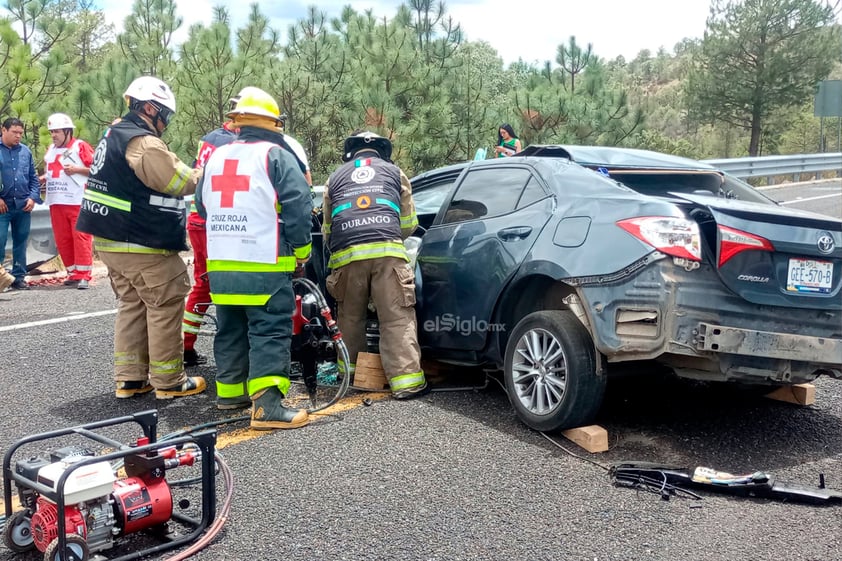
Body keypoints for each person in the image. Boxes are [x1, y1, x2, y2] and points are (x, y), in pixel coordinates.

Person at [76, 76, 207, 400]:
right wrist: (204, 173)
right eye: (165, 114)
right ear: (150, 108)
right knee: (164, 304)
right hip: (140, 240)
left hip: (110, 240)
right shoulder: (144, 142)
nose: (166, 122)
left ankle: (131, 379)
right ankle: (170, 382)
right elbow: (176, 181)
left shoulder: (114, 134)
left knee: (132, 305)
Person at [195, 86, 313, 430]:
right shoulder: (276, 156)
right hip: (262, 264)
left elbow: (202, 206)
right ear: (274, 124)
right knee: (269, 331)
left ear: (238, 122)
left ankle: (230, 394)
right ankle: (268, 408)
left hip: (221, 266)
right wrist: (302, 250)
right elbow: (299, 205)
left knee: (230, 329)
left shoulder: (216, 157)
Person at [322, 131, 427, 399]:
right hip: (388, 254)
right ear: (382, 152)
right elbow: (409, 223)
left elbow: (327, 230)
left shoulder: (334, 178)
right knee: (396, 317)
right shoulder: (395, 173)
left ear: (351, 153)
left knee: (350, 317)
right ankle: (407, 383)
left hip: (347, 257)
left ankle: (350, 376)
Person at [182, 110, 238, 368]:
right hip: (215, 222)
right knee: (226, 283)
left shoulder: (210, 138)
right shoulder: (233, 143)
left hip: (199, 219)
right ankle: (231, 353)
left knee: (204, 284)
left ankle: (186, 345)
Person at [40, 113, 95, 289]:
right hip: (56, 201)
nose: (53, 135)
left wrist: (78, 169)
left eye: (56, 131)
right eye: (51, 132)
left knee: (81, 237)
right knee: (62, 239)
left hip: (77, 200)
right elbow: (52, 171)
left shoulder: (80, 146)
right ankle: (72, 272)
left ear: (67, 131)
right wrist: (43, 178)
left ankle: (84, 274)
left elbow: (97, 170)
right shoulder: (50, 149)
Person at [0, 117, 42, 290]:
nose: (18, 136)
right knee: (0, 241)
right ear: (3, 130)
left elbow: (33, 178)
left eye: (20, 133)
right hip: (3, 206)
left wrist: (33, 197)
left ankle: (18, 277)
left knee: (20, 242)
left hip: (23, 205)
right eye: (14, 132)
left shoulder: (25, 151)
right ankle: (2, 278)